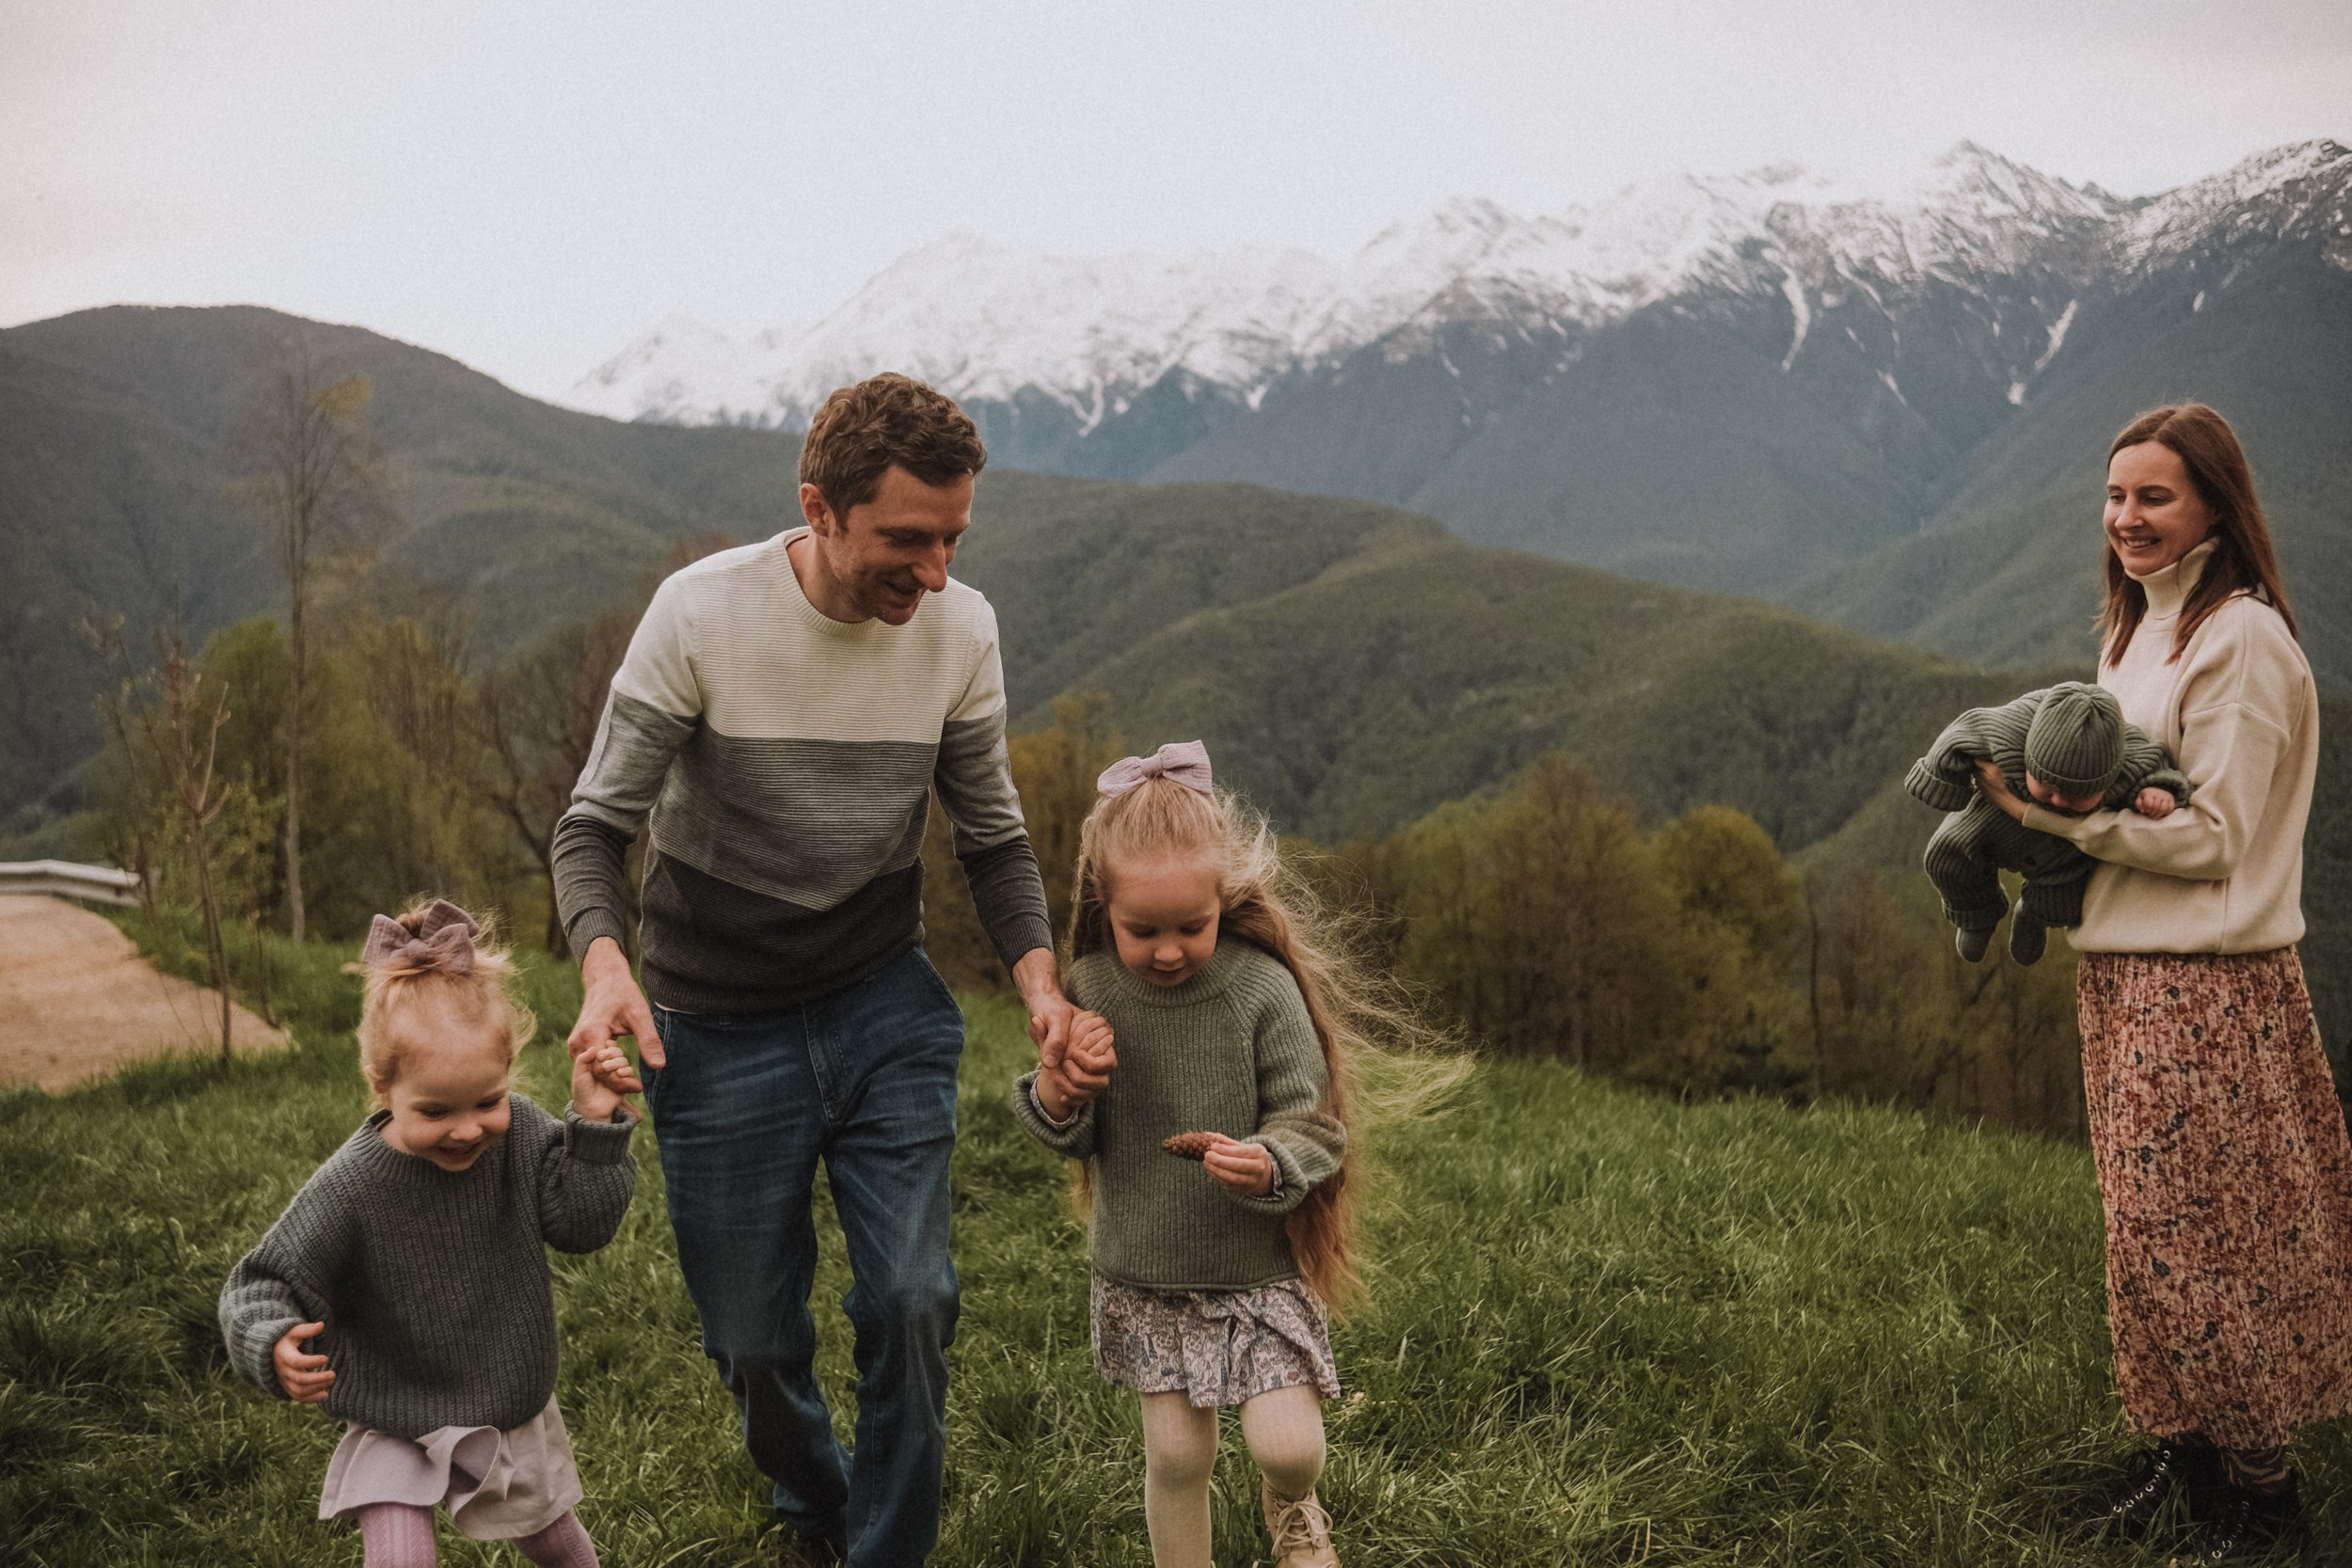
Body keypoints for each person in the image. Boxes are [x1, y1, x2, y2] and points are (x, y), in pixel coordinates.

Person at [550, 373, 1081, 1567]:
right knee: (751, 1339)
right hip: (713, 1018)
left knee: (912, 1298)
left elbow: (990, 835)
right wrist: (601, 968)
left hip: (881, 999)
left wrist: (1043, 985)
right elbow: (592, 828)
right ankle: (816, 1495)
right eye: (907, 538)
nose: (935, 571)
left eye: (952, 538)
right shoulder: (698, 615)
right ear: (820, 508)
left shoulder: (963, 628)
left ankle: (885, 1549)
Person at [1974, 404, 2347, 1560]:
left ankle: (2263, 1500)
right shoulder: (2139, 626)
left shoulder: (2236, 639)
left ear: (2215, 509)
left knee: (2199, 1240)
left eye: (2155, 497)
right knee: (2143, 1239)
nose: (2125, 518)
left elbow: (2215, 836)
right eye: (2114, 495)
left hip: (2206, 987)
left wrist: (2045, 817)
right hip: (2129, 972)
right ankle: (2184, 1461)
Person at [1012, 741, 1462, 1568]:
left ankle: (1292, 1509)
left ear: (1227, 899)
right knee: (1179, 1457)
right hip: (1148, 1273)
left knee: (1289, 1445)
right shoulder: (1092, 988)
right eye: (1141, 929)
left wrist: (1270, 1161)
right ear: (1102, 907)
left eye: (1195, 924)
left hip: (1256, 1272)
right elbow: (1064, 1131)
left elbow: (1316, 1121)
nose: (1171, 949)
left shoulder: (1261, 989)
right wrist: (1061, 1085)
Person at [218, 899, 641, 1568]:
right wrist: (267, 1343)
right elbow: (262, 1281)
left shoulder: (523, 1135)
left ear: (508, 1073)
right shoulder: (353, 1183)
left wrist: (592, 1127)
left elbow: (582, 1226)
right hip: (394, 1404)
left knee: (556, 1544)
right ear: (382, 1087)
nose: (468, 1128)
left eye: (488, 1100)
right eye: (436, 1109)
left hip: (504, 1396)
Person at [1905, 679, 2191, 963]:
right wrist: (1943, 785)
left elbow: (2155, 763)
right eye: (2048, 786)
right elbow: (1960, 733)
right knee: (1946, 855)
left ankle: (2033, 918)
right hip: (1993, 818)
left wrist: (2158, 790)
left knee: (2064, 892)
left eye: (2078, 794)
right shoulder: (2009, 729)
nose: (2058, 801)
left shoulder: (2127, 758)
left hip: (2062, 845)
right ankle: (1977, 915)